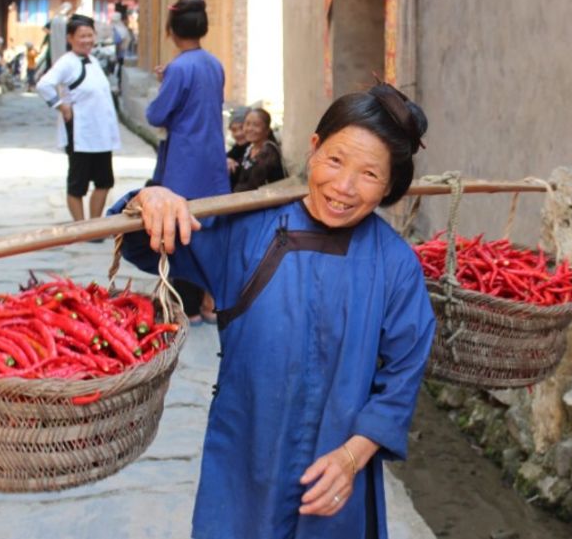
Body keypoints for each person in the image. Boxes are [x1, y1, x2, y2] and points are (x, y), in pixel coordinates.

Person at [110, 82, 434, 538]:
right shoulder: (248, 231)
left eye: (369, 174)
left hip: (334, 483)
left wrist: (351, 457)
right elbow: (146, 245)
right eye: (336, 160)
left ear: (388, 187)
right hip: (245, 467)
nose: (343, 187)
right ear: (314, 148)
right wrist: (148, 200)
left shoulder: (395, 265)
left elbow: (402, 376)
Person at [145, 0, 229, 323]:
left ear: (171, 30)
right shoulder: (213, 63)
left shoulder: (179, 67)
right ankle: (210, 303)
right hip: (212, 160)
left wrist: (164, 84)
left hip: (184, 162)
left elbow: (156, 114)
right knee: (209, 233)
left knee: (179, 234)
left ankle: (187, 308)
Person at [35, 14, 121, 223]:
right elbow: (44, 84)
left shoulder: (92, 60)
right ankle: (80, 226)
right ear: (70, 38)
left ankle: (93, 224)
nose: (86, 40)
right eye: (81, 36)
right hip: (80, 133)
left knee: (104, 181)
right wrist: (61, 105)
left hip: (100, 134)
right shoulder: (67, 62)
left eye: (89, 35)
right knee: (77, 184)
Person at [232, 106, 286, 192]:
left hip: (269, 202)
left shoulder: (268, 152)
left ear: (267, 130)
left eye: (256, 125)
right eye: (247, 124)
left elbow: (253, 185)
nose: (250, 129)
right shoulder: (250, 148)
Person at [225, 106, 249, 188]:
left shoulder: (261, 149)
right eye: (234, 130)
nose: (238, 134)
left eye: (241, 128)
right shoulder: (237, 148)